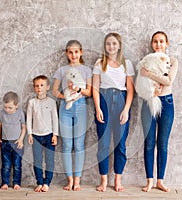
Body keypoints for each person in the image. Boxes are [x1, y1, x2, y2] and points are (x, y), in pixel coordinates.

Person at [92, 32, 135, 192]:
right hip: (104, 100)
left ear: (119, 45)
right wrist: (98, 108)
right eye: (108, 44)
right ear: (105, 46)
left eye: (114, 43)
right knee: (103, 143)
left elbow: (130, 90)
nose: (111, 46)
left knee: (120, 144)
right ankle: (103, 180)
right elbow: (95, 88)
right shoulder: (99, 63)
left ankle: (118, 179)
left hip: (121, 101)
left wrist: (126, 110)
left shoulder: (127, 63)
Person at [139, 31, 178, 192]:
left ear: (166, 43)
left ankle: (160, 180)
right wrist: (152, 80)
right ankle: (149, 180)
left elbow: (168, 80)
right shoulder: (145, 62)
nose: (158, 44)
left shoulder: (173, 61)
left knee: (162, 143)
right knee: (149, 143)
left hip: (167, 103)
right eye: (155, 41)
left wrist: (150, 74)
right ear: (152, 44)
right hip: (149, 102)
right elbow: (141, 82)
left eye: (161, 41)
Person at [52, 40, 92, 191]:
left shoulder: (87, 70)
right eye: (70, 52)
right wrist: (66, 96)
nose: (73, 55)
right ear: (66, 53)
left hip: (81, 107)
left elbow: (88, 92)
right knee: (67, 145)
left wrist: (77, 90)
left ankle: (77, 180)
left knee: (79, 145)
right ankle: (69, 180)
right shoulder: (62, 70)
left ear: (81, 52)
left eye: (76, 52)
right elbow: (55, 91)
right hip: (65, 108)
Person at [27, 75, 59, 192]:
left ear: (47, 87)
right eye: (36, 86)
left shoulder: (51, 102)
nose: (39, 88)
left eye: (42, 85)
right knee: (37, 160)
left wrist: (55, 134)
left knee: (49, 160)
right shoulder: (31, 102)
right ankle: (39, 182)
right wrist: (30, 134)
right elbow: (29, 119)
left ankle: (47, 182)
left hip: (49, 135)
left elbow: (55, 119)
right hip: (36, 136)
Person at [0, 91, 26, 190]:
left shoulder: (20, 113)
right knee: (6, 165)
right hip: (5, 142)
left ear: (16, 106)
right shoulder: (2, 113)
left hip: (17, 143)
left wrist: (21, 139)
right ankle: (5, 183)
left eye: (10, 108)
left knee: (17, 165)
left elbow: (23, 127)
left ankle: (16, 183)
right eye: (5, 107)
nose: (7, 110)